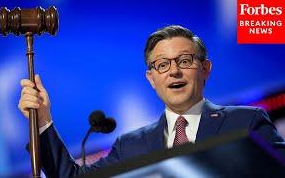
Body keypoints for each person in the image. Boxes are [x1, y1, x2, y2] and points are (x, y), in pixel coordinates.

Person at [18, 25, 285, 177]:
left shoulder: (246, 122)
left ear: (205, 70)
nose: (174, 71)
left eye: (184, 61)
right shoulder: (131, 146)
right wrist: (42, 121)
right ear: (151, 78)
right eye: (162, 65)